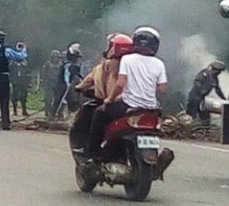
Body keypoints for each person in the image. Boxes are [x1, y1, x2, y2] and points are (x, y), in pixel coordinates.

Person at [85, 27, 167, 159]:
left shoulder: (127, 59)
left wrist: (110, 99)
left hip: (128, 106)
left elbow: (120, 84)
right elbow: (162, 89)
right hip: (151, 109)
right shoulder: (159, 64)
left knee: (99, 114)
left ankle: (92, 153)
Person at [76, 33, 133, 101]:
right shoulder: (134, 64)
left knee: (88, 109)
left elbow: (90, 79)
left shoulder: (104, 66)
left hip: (111, 101)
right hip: (132, 101)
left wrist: (79, 87)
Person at [53, 44, 83, 118]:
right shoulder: (68, 65)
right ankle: (54, 114)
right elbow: (66, 74)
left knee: (71, 100)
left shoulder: (73, 65)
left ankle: (70, 114)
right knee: (59, 99)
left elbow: (78, 74)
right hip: (62, 85)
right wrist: (67, 83)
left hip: (66, 85)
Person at [42, 50, 62, 118]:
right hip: (49, 84)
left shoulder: (61, 65)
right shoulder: (47, 64)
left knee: (59, 99)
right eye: (55, 57)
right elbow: (44, 75)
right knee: (48, 99)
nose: (56, 59)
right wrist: (44, 84)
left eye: (57, 57)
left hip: (57, 84)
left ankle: (58, 112)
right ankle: (48, 112)